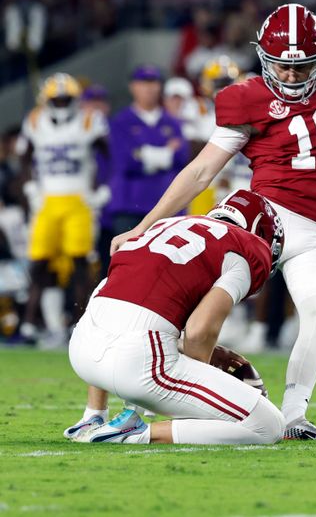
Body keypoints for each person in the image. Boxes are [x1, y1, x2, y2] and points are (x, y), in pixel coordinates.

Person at [109, 3, 316, 439]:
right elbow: (202, 170)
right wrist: (147, 224)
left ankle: (294, 417)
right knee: (198, 311)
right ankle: (136, 400)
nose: (289, 76)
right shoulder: (247, 98)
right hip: (262, 219)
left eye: (301, 67)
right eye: (281, 66)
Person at [68, 189, 286, 445]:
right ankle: (137, 434)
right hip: (138, 362)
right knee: (269, 425)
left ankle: (93, 415)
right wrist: (200, 390)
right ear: (261, 234)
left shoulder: (164, 225)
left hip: (82, 350)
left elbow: (112, 293)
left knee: (117, 294)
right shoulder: (243, 249)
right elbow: (198, 331)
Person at [17, 74, 109, 346]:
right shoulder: (35, 121)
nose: (60, 104)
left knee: (81, 261)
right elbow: (24, 156)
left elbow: (107, 156)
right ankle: (31, 323)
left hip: (79, 198)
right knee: (40, 261)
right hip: (47, 198)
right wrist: (31, 187)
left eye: (65, 99)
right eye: (55, 99)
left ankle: (80, 320)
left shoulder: (89, 121)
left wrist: (102, 187)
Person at [106, 65, 190, 238]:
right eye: (143, 82)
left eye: (153, 82)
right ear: (132, 86)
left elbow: (182, 157)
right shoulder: (121, 122)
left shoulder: (172, 122)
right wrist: (166, 153)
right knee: (128, 261)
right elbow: (125, 162)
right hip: (130, 205)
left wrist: (143, 154)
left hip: (167, 205)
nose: (149, 88)